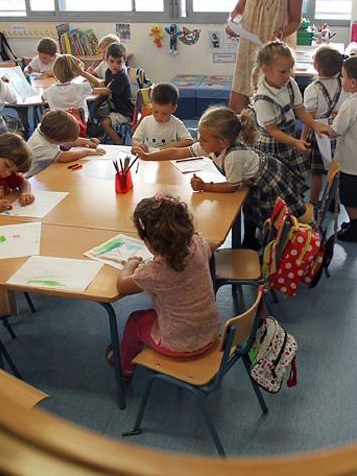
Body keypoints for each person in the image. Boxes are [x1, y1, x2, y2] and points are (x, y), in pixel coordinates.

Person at [136, 106, 305, 249]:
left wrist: (205, 186)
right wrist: (149, 156)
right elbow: (179, 152)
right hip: (254, 177)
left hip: (268, 181)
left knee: (271, 218)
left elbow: (233, 186)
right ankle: (251, 241)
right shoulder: (210, 145)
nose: (200, 142)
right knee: (250, 210)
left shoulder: (233, 157)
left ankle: (276, 247)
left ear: (223, 142)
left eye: (204, 139)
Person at [110, 193, 220, 380]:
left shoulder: (153, 272)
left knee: (136, 320)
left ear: (148, 243)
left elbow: (122, 285)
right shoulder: (199, 245)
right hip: (211, 334)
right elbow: (212, 244)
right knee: (154, 313)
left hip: (179, 345)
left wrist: (131, 263)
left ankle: (124, 366)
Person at [226, 0, 303, 113]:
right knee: (238, 105)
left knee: (268, 105)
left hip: (273, 51)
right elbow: (238, 9)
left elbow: (295, 20)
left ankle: (268, 139)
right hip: (248, 47)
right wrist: (234, 23)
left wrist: (281, 33)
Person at [318, 55, 357, 243]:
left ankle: (356, 228)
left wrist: (320, 126)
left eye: (343, 76)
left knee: (350, 198)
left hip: (352, 163)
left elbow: (335, 131)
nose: (340, 79)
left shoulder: (351, 103)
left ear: (352, 83)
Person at [250, 40, 327, 191]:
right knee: (275, 188)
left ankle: (289, 213)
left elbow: (300, 110)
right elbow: (273, 131)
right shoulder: (262, 98)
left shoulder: (290, 83)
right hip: (272, 146)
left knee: (292, 185)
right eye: (283, 72)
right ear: (265, 70)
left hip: (289, 140)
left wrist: (315, 125)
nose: (288, 75)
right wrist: (295, 142)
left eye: (290, 70)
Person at [300, 45, 345, 205]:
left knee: (317, 173)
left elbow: (309, 117)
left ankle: (312, 203)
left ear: (316, 65)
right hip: (338, 130)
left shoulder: (313, 88)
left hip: (319, 133)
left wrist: (303, 137)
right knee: (336, 169)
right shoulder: (343, 84)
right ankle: (333, 202)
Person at [25, 109, 104, 178]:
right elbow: (63, 157)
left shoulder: (45, 129)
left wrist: (87, 141)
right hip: (32, 180)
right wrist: (87, 152)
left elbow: (67, 141)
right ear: (57, 139)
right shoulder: (40, 144)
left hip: (45, 173)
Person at [41, 54, 107, 136]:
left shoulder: (50, 90)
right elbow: (96, 83)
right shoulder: (80, 88)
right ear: (75, 72)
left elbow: (42, 98)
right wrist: (82, 72)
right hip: (78, 127)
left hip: (57, 129)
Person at [130, 83, 193, 154]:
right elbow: (135, 139)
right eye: (156, 112)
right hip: (149, 158)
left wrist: (170, 146)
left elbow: (189, 141)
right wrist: (138, 145)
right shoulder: (146, 121)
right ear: (151, 104)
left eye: (164, 113)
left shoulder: (176, 124)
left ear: (173, 109)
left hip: (168, 158)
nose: (159, 117)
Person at [93, 42, 134, 145]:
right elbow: (105, 84)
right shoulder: (109, 72)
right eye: (112, 61)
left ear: (124, 61)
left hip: (124, 112)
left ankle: (118, 143)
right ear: (106, 59)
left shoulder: (121, 77)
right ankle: (105, 135)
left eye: (119, 62)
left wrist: (90, 90)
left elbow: (107, 90)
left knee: (105, 123)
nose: (115, 65)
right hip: (114, 109)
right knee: (95, 109)